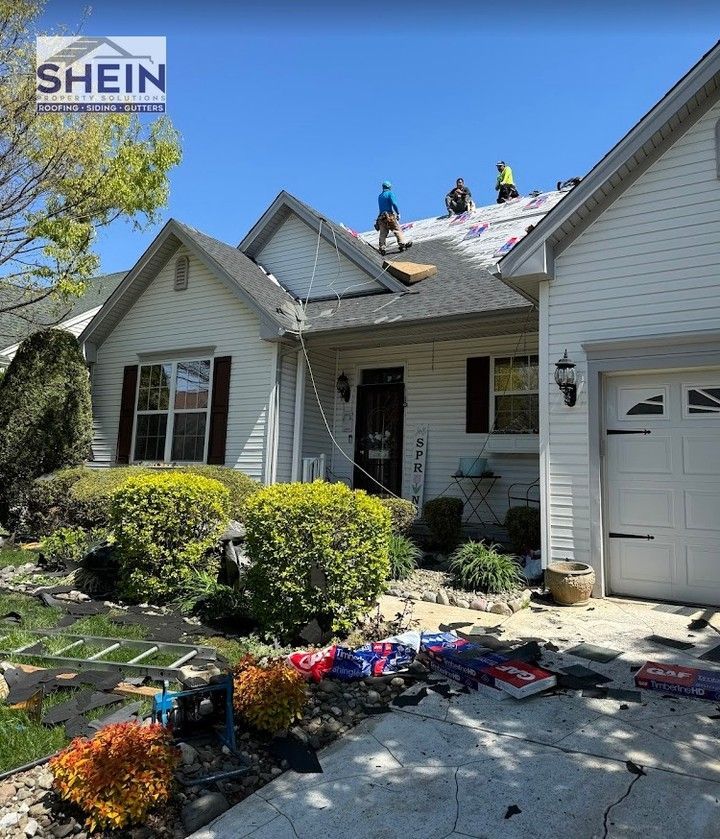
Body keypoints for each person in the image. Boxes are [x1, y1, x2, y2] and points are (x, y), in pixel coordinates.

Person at [375, 181, 412, 256]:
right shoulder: (389, 193)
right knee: (397, 230)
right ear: (389, 187)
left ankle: (382, 248)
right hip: (390, 216)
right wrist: (398, 213)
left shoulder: (380, 196)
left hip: (381, 217)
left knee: (383, 233)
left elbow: (380, 208)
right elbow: (394, 203)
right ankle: (402, 244)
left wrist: (377, 219)